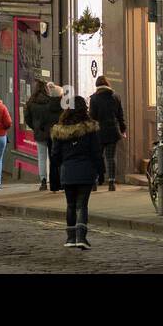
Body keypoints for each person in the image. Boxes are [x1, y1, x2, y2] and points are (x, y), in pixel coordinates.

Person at [50, 95, 105, 249]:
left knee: (70, 205)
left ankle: (70, 238)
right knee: (82, 205)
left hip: (67, 171)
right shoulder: (90, 129)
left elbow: (55, 155)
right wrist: (101, 172)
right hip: (86, 171)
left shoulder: (59, 131)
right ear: (84, 110)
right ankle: (81, 237)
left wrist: (60, 168)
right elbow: (96, 153)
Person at [88, 75, 127, 190]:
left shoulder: (94, 98)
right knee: (111, 157)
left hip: (98, 132)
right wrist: (123, 129)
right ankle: (111, 183)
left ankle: (94, 182)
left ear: (97, 86)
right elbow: (120, 115)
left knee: (97, 157)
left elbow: (92, 117)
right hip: (112, 131)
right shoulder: (116, 97)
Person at [23, 80, 62, 190]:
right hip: (52, 132)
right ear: (46, 89)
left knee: (41, 157)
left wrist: (35, 127)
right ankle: (55, 180)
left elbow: (27, 119)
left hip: (40, 132)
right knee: (53, 156)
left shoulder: (30, 102)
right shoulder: (50, 101)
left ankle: (43, 181)